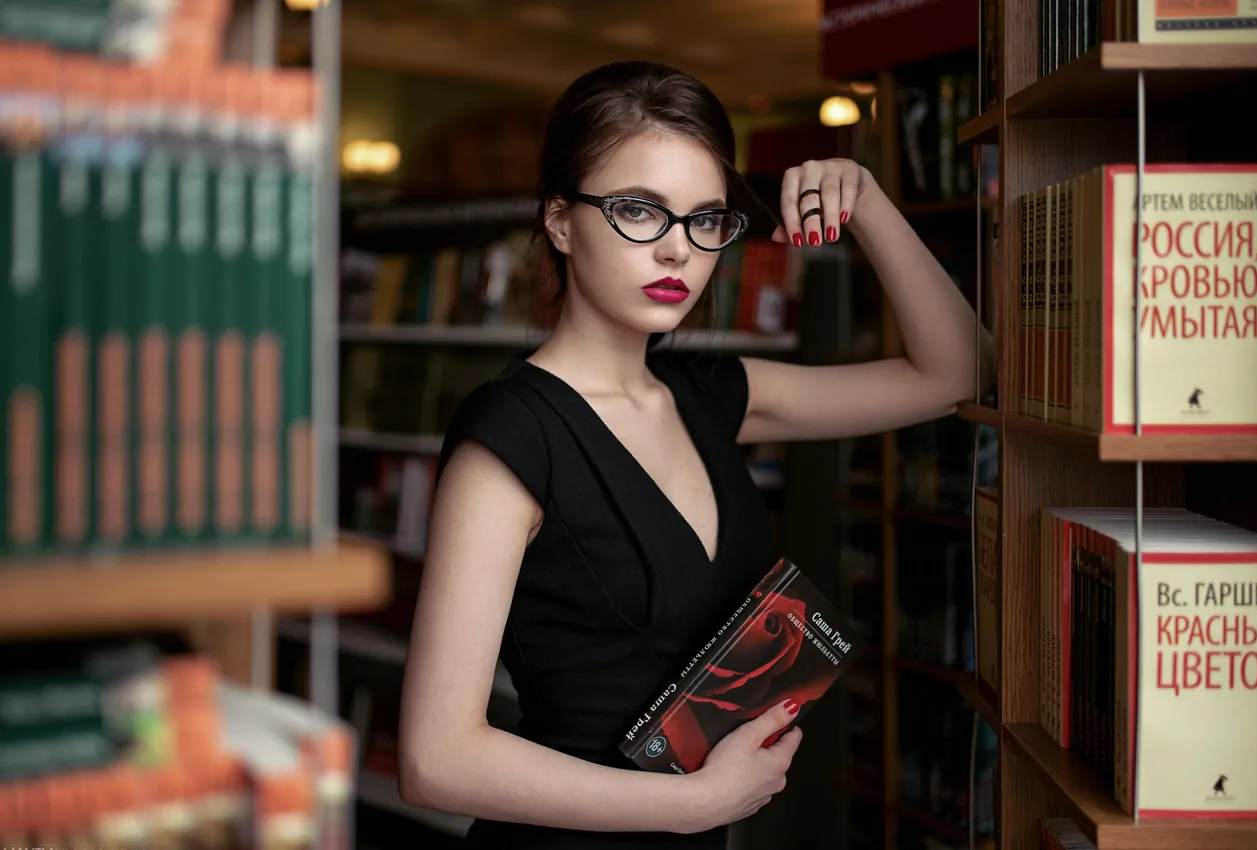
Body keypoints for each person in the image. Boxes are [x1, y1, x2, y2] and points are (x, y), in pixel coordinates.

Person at [397, 60, 993, 848]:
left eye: (706, 220)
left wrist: (868, 197)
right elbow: (435, 759)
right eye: (640, 210)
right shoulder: (510, 438)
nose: (679, 250)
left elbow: (959, 372)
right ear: (560, 220)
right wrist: (694, 806)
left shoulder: (710, 395)